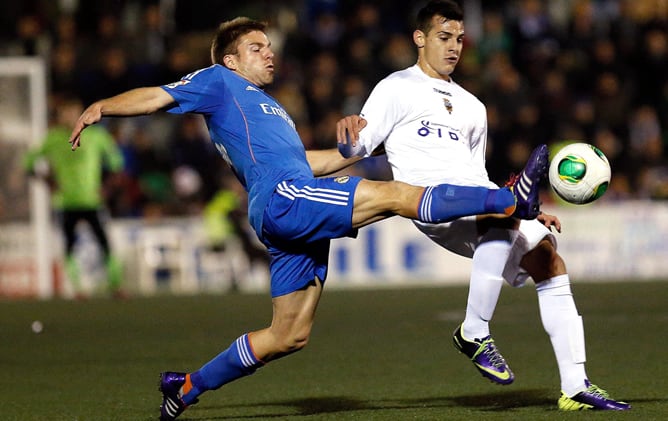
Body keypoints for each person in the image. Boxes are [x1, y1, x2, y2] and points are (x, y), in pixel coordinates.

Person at [68, 17, 546, 420]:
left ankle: (186, 387)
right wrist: (103, 108)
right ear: (230, 60)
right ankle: (507, 202)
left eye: (269, 47)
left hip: (291, 197)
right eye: (256, 48)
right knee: (392, 195)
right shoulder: (218, 82)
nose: (268, 54)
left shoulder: (271, 109)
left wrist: (362, 146)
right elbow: (157, 97)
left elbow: (311, 163)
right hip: (282, 198)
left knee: (288, 335)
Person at [336, 0, 630, 412]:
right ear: (419, 39)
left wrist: (521, 207)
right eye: (443, 37)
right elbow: (359, 145)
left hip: (483, 201)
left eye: (459, 38)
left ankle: (575, 385)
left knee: (549, 261)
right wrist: (347, 136)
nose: (454, 47)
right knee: (502, 220)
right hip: (432, 201)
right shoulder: (394, 87)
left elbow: (476, 172)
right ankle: (474, 331)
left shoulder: (473, 105)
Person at [24, 95, 124, 299]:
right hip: (65, 201)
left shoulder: (97, 136)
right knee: (69, 245)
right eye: (65, 113)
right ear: (59, 116)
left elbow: (116, 163)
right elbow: (29, 163)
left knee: (104, 243)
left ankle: (116, 286)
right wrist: (48, 182)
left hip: (92, 200)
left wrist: (107, 189)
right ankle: (77, 289)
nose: (69, 117)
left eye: (73, 112)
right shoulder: (52, 138)